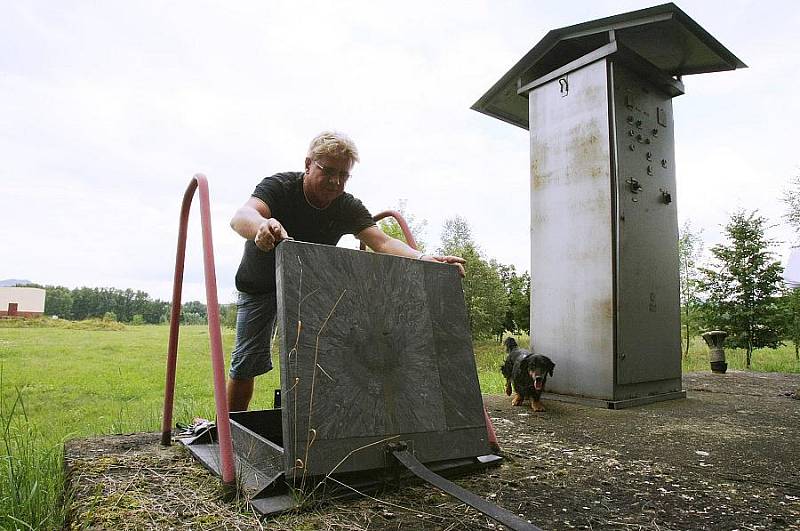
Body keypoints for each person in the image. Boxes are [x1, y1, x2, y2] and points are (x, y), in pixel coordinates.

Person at [227, 131, 466, 412]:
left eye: (343, 175)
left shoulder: (346, 206)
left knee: (318, 363)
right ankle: (232, 436)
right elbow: (241, 216)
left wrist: (425, 258)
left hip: (306, 290)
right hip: (260, 287)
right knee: (246, 362)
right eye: (328, 171)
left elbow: (383, 241)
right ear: (308, 164)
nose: (335, 182)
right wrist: (262, 227)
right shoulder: (280, 187)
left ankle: (312, 431)